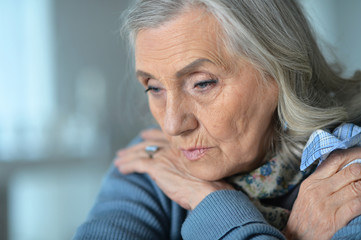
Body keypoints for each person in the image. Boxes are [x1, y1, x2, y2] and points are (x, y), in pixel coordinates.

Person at [74, 0, 361, 239]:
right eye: (154, 87)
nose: (173, 125)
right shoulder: (153, 162)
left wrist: (206, 200)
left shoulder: (349, 177)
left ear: (279, 72)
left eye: (202, 84)